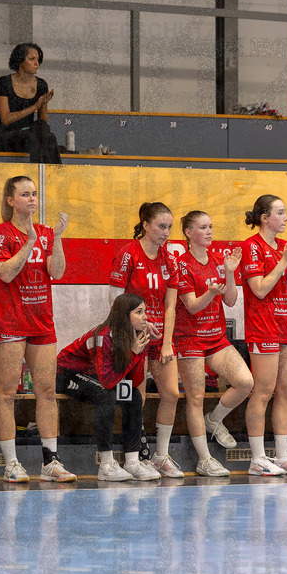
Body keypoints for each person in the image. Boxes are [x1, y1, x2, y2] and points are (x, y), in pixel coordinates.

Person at [0, 176, 76, 483]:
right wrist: (29, 243)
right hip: (9, 322)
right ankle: (11, 463)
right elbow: (5, 273)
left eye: (34, 193)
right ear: (11, 201)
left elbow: (57, 272)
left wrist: (58, 237)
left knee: (47, 391)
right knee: (7, 393)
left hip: (41, 322)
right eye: (25, 194)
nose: (32, 199)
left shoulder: (47, 233)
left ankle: (51, 462)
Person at [174, 210, 254, 477]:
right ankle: (204, 459)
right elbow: (192, 306)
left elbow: (230, 301)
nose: (209, 232)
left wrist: (230, 273)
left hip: (215, 336)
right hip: (189, 338)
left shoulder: (220, 260)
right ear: (188, 233)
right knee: (195, 397)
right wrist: (210, 292)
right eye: (203, 227)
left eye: (210, 226)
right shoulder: (181, 265)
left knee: (245, 382)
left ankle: (214, 419)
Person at [240, 194, 287, 475]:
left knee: (286, 391)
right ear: (264, 217)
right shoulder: (251, 246)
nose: (286, 217)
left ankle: (282, 456)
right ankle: (257, 459)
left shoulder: (285, 249)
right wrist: (283, 262)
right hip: (263, 327)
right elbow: (259, 289)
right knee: (263, 391)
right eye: (280, 212)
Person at [109, 202, 180, 480]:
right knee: (136, 399)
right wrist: (135, 327)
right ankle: (135, 456)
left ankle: (161, 456)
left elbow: (170, 306)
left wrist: (167, 342)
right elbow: (115, 299)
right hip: (133, 336)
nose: (166, 232)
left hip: (159, 335)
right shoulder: (128, 254)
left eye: (169, 227)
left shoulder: (170, 260)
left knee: (171, 393)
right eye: (161, 226)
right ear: (146, 225)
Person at [56, 294, 150, 481]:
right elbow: (107, 382)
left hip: (94, 376)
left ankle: (132, 461)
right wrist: (133, 353)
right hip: (65, 373)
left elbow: (135, 380)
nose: (145, 317)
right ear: (124, 314)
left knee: (134, 396)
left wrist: (139, 352)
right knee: (105, 394)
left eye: (145, 311)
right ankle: (106, 465)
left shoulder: (134, 335)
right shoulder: (104, 336)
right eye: (139, 312)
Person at [0, 43, 59, 163]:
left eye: (38, 59)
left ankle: (52, 172)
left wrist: (43, 104)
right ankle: (42, 170)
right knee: (39, 137)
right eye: (32, 59)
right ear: (20, 62)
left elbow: (43, 120)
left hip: (31, 132)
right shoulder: (4, 82)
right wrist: (34, 107)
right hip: (8, 135)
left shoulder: (41, 84)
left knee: (49, 136)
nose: (36, 63)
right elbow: (5, 119)